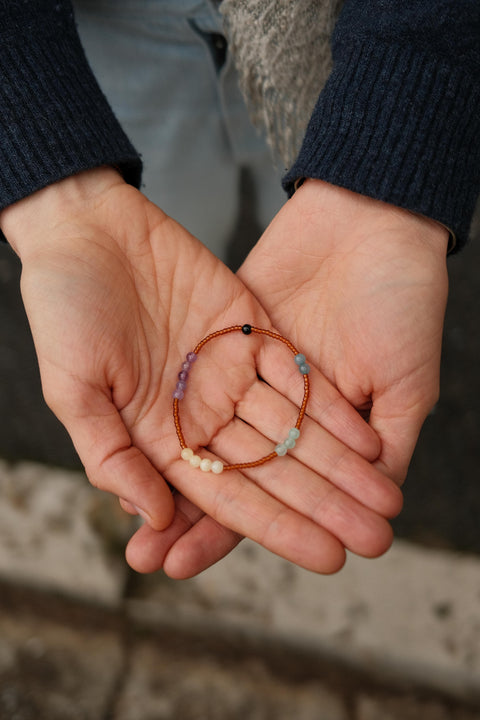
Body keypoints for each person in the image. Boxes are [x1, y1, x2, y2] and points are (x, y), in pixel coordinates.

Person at [0, 0, 478, 578]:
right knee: (165, 222)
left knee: (293, 197)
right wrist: (55, 190)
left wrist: (393, 160)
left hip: (333, 52)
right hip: (99, 50)